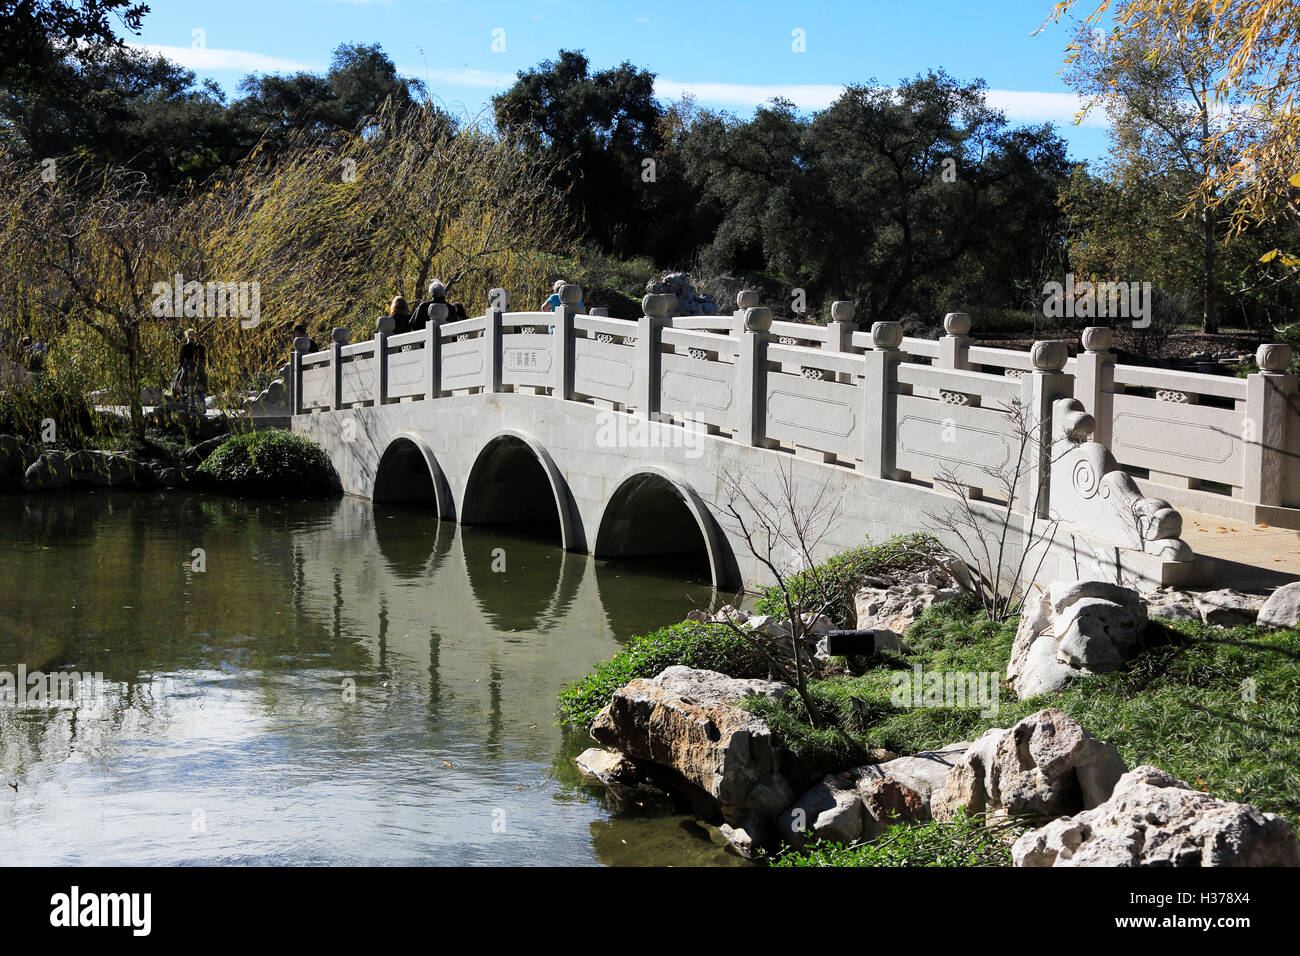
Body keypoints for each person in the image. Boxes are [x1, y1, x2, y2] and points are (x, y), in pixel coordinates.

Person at [174, 328, 207, 406]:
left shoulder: (184, 347)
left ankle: (192, 406)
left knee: (190, 390)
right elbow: (204, 360)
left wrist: (179, 374)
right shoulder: (201, 347)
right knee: (198, 390)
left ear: (187, 336)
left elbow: (181, 361)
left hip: (188, 371)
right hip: (199, 371)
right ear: (194, 336)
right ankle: (202, 402)